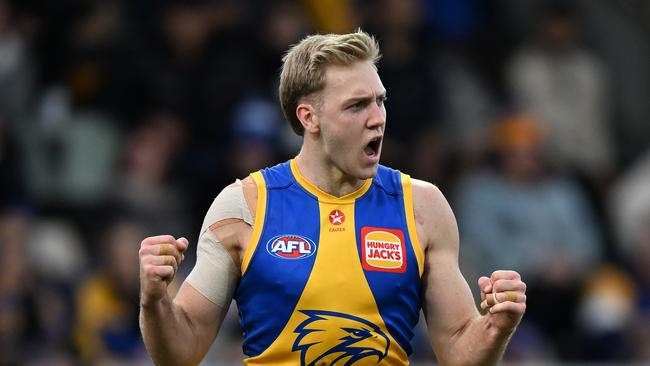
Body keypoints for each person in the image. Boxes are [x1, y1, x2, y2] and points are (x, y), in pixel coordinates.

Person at [139, 30, 527, 365]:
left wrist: (496, 325)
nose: (378, 118)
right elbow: (181, 351)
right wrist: (154, 301)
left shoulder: (422, 206)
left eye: (381, 100)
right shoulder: (244, 207)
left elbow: (459, 351)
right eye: (357, 105)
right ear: (309, 118)